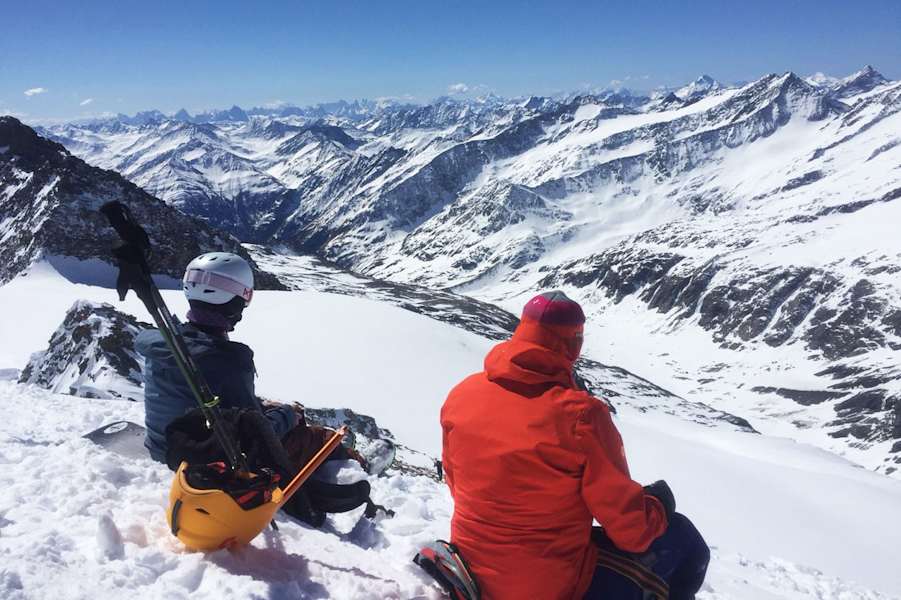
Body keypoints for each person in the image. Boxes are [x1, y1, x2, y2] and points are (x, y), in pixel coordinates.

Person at [440, 291, 709, 600]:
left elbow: (456, 482)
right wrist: (658, 507)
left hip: (471, 566)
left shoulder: (462, 394)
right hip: (545, 584)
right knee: (684, 539)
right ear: (574, 344)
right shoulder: (582, 416)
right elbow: (631, 531)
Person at [136, 252, 374, 526]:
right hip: (210, 455)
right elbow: (257, 432)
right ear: (234, 301)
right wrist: (287, 414)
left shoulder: (164, 343)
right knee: (316, 437)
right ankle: (358, 464)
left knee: (273, 411)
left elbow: (214, 401)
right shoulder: (227, 358)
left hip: (164, 444)